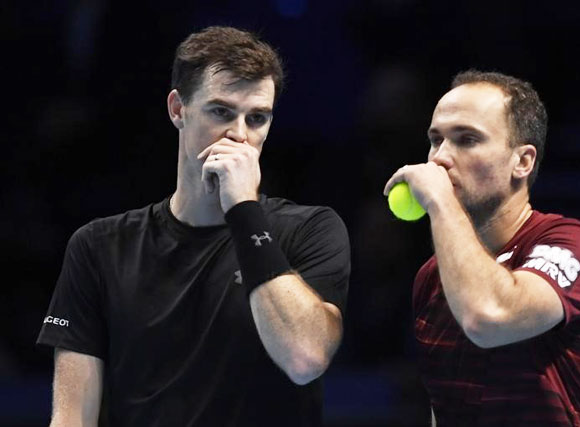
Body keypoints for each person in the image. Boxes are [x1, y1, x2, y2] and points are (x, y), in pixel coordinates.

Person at [37, 26, 350, 426]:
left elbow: (305, 357)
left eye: (257, 118)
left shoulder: (310, 230)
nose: (239, 135)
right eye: (221, 111)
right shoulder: (99, 246)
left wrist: (243, 209)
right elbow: (71, 420)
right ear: (178, 109)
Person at [384, 70, 580, 425]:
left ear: (522, 161)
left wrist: (440, 201)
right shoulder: (431, 277)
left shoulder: (573, 245)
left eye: (467, 139)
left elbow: (489, 316)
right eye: (436, 140)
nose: (440, 158)